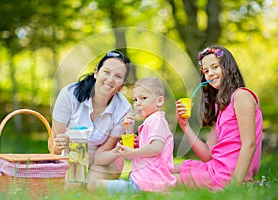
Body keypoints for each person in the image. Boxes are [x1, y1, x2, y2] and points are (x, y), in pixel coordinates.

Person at [173, 45, 263, 191]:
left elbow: (249, 144)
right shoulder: (221, 106)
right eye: (206, 71)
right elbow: (207, 154)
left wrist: (234, 186)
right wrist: (185, 126)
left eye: (215, 67)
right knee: (163, 170)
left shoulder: (241, 96)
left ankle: (127, 188)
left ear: (227, 67)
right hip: (215, 168)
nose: (210, 74)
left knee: (161, 179)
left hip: (228, 177)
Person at [51, 50, 132, 191]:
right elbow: (52, 145)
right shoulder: (69, 95)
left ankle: (132, 189)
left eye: (118, 76)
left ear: (123, 84)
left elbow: (104, 151)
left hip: (103, 159)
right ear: (96, 73)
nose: (110, 79)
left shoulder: (124, 109)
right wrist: (58, 145)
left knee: (94, 186)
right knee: (72, 188)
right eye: (106, 72)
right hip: (73, 155)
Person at [97, 77, 177, 194]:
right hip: (146, 181)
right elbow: (136, 154)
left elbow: (156, 148)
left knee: (97, 184)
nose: (138, 103)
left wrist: (132, 152)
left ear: (159, 101)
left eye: (143, 98)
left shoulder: (156, 121)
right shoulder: (150, 121)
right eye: (135, 100)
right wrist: (129, 131)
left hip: (147, 184)